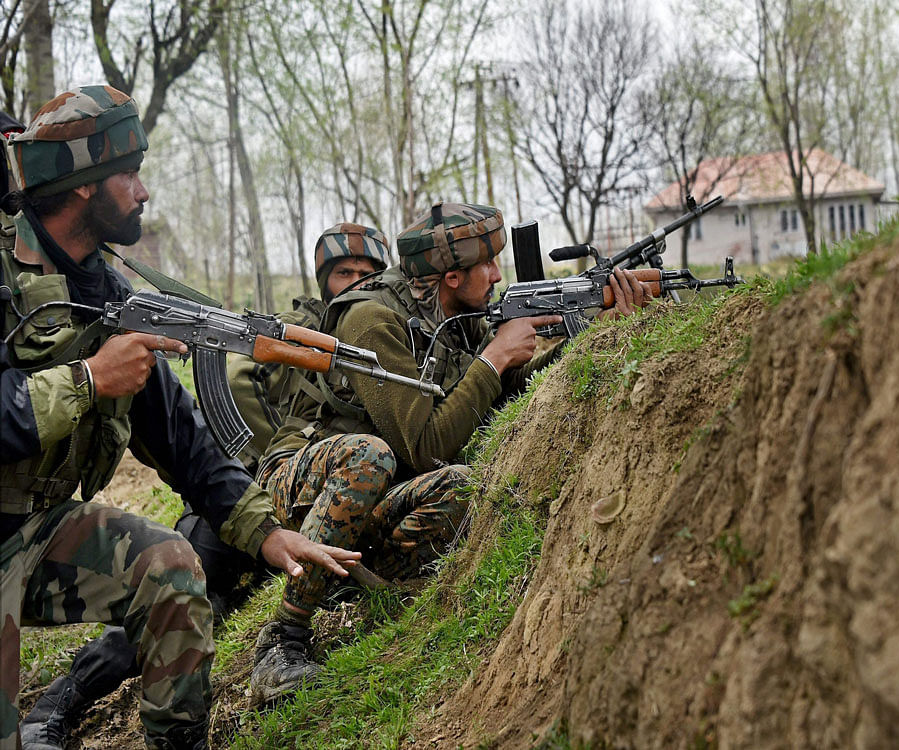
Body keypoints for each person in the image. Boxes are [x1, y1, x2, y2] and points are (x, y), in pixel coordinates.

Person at [0, 85, 360, 750]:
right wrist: (88, 380)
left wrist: (267, 535)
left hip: (32, 533)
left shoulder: (108, 294)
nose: (143, 193)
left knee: (171, 565)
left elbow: (184, 441)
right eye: (130, 174)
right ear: (84, 184)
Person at [247, 202, 648, 704]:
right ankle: (283, 638)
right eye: (489, 265)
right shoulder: (371, 319)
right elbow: (427, 444)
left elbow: (497, 394)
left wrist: (587, 335)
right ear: (453, 277)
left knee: (460, 485)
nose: (499, 275)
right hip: (306, 479)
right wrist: (495, 355)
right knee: (370, 456)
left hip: (382, 487)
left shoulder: (454, 312)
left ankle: (353, 583)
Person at [228, 222, 389, 472]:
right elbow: (238, 380)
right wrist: (282, 460)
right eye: (344, 273)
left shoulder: (383, 330)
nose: (356, 285)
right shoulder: (302, 327)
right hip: (301, 470)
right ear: (325, 281)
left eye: (366, 275)